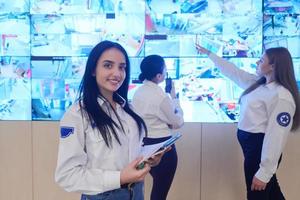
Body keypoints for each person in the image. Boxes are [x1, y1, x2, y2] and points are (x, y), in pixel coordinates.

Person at [55, 40, 166, 200]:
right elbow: (67, 175)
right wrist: (120, 178)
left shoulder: (128, 110)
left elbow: (126, 155)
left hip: (137, 192)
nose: (117, 73)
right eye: (108, 65)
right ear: (93, 70)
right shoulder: (78, 115)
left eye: (121, 67)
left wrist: (148, 159)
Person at [195, 44, 300, 200]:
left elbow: (275, 137)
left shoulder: (281, 96)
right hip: (252, 150)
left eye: (261, 60)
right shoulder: (258, 83)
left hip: (260, 150)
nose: (257, 62)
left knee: (257, 193)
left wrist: (264, 171)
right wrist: (210, 54)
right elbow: (233, 72)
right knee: (271, 193)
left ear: (273, 66)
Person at [132, 55, 184, 200]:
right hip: (164, 149)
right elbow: (178, 122)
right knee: (160, 193)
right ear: (159, 75)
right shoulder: (161, 96)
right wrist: (175, 99)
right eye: (165, 69)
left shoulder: (138, 92)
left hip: (143, 147)